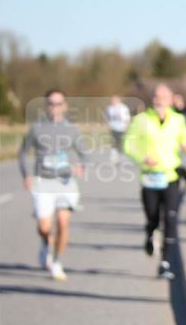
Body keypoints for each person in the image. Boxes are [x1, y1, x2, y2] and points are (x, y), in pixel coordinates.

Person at [123, 84, 186, 280]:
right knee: (153, 217)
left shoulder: (178, 120)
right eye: (156, 95)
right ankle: (150, 233)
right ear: (152, 98)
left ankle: (165, 262)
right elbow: (128, 145)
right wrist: (142, 157)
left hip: (170, 175)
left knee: (170, 218)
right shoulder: (141, 120)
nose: (160, 99)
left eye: (164, 96)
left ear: (171, 99)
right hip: (149, 176)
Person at [18, 89, 87, 281]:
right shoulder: (37, 128)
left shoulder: (72, 129)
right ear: (46, 106)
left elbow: (85, 153)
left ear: (65, 106)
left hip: (65, 182)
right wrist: (26, 175)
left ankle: (56, 261)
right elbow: (22, 153)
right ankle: (45, 243)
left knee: (64, 223)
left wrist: (82, 166)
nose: (55, 107)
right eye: (51, 103)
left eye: (58, 103)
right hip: (43, 182)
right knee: (44, 227)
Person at [104, 95, 131, 164]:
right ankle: (114, 158)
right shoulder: (109, 108)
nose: (113, 101)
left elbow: (127, 118)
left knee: (121, 144)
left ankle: (121, 158)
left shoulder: (123, 108)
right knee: (113, 143)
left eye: (115, 100)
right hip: (114, 128)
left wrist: (127, 127)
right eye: (112, 100)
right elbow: (107, 117)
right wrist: (108, 125)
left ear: (119, 100)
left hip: (122, 128)